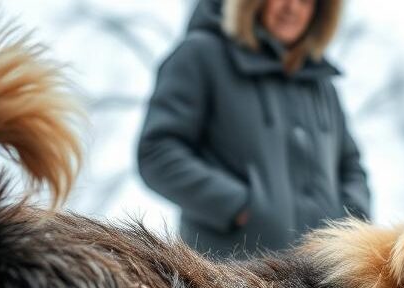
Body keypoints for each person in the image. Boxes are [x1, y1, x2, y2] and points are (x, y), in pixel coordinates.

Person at [137, 0, 370, 256]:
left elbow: (350, 165)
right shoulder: (200, 55)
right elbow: (157, 152)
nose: (292, 8)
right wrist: (239, 207)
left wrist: (352, 221)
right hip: (228, 281)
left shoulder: (321, 83)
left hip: (316, 280)